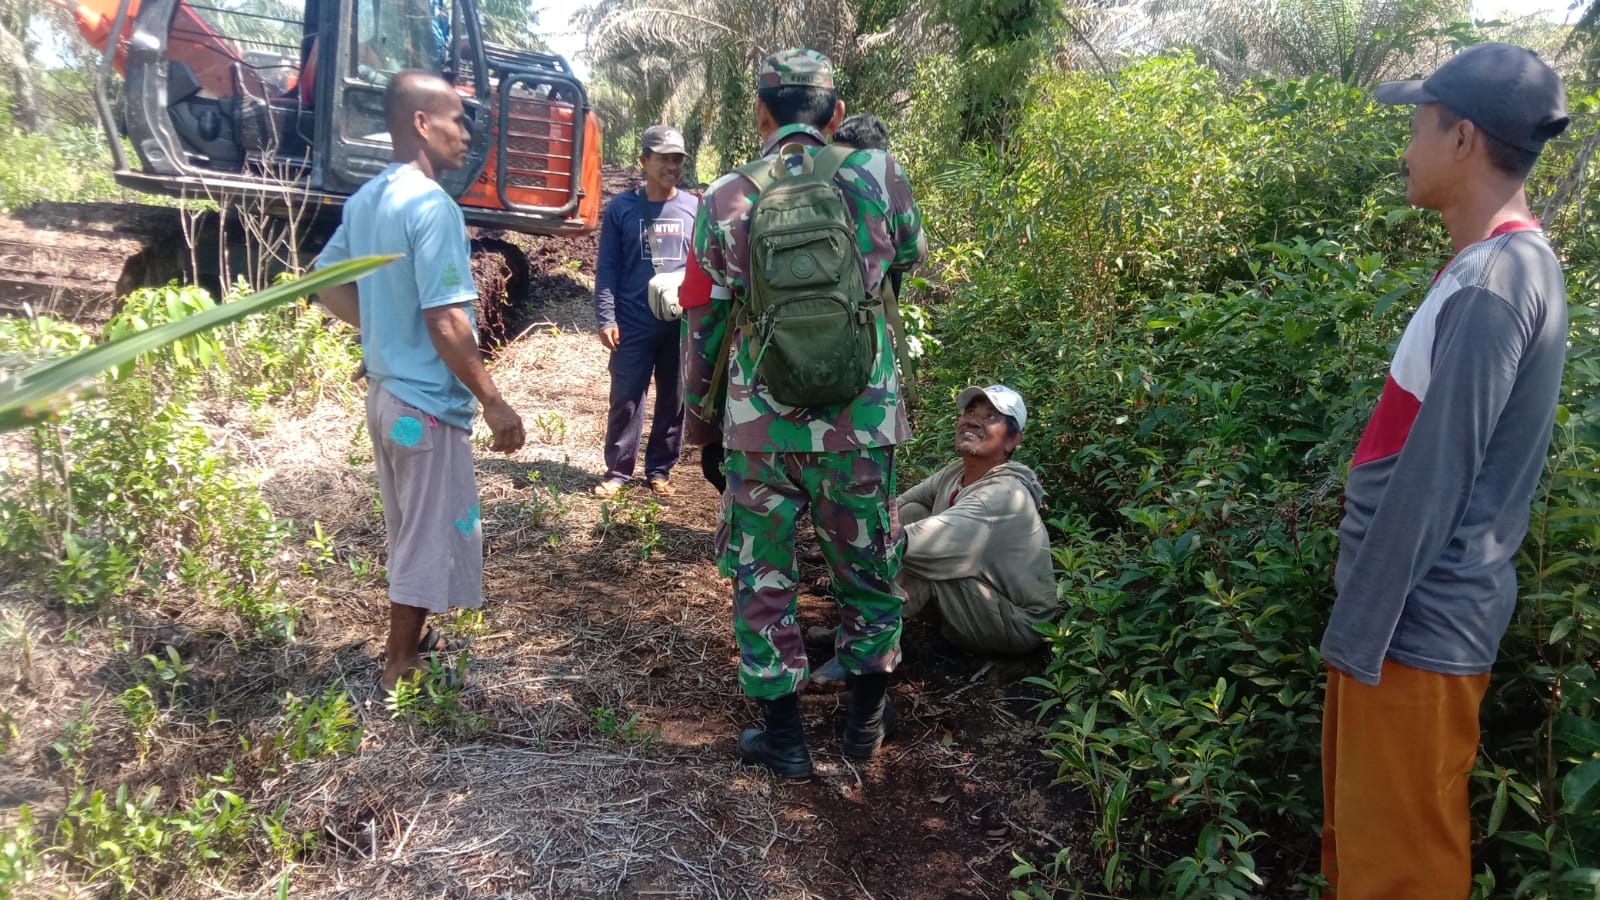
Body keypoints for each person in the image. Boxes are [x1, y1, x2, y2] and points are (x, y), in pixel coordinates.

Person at [1318, 43, 1569, 898]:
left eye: (1418, 127)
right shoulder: (1494, 265)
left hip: (1410, 632)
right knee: (1372, 852)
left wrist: (1359, 632)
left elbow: (1436, 477)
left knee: (1400, 875)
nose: (1406, 148)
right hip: (1405, 625)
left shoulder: (1496, 282)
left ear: (1463, 138)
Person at [681, 48, 926, 778]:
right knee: (868, 564)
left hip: (762, 422)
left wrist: (701, 416)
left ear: (761, 113)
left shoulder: (726, 194)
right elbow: (903, 263)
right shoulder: (877, 174)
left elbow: (705, 320)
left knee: (763, 574)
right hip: (862, 416)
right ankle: (865, 724)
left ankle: (784, 740)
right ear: (838, 115)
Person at [314, 70, 526, 693]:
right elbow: (445, 317)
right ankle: (400, 665)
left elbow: (327, 281)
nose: (466, 132)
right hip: (424, 409)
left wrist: (379, 337)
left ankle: (415, 641)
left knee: (411, 526)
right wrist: (492, 399)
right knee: (427, 536)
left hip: (386, 397)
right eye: (457, 119)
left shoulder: (368, 198)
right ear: (420, 124)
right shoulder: (432, 207)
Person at [809, 385, 1056, 688]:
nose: (973, 420)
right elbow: (900, 507)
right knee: (912, 511)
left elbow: (910, 543)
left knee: (923, 557)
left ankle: (863, 650)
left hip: (1018, 623)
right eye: (970, 412)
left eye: (991, 417)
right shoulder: (957, 472)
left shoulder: (1002, 496)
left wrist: (842, 538)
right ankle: (860, 630)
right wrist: (854, 529)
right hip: (981, 601)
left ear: (1012, 439)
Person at [592, 124, 701, 498]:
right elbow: (607, 268)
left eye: (677, 159)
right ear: (644, 161)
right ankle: (618, 471)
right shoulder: (621, 208)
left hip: (678, 325)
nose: (672, 166)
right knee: (626, 398)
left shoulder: (693, 207)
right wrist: (606, 317)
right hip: (632, 322)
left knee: (673, 399)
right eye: (664, 159)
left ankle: (659, 469)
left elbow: (703, 266)